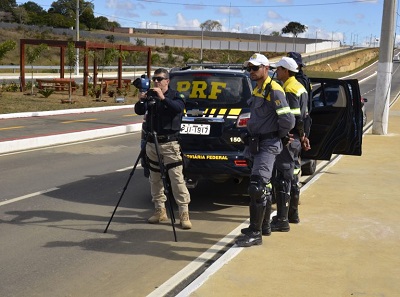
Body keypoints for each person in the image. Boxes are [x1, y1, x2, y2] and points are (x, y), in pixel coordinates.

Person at [236, 53, 295, 247]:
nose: (251, 71)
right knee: (263, 186)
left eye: (254, 68)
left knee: (257, 186)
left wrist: (278, 135)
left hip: (268, 145)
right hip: (255, 144)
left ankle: (255, 233)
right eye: (249, 68)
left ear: (266, 68)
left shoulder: (274, 90)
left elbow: (288, 120)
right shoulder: (258, 89)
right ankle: (263, 226)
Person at [134, 68, 192, 229]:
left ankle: (183, 213)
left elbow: (178, 108)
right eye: (155, 79)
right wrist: (141, 100)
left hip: (170, 144)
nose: (157, 82)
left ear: (167, 80)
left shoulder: (175, 96)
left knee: (176, 179)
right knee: (155, 179)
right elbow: (139, 111)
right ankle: (160, 211)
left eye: (160, 79)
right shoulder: (151, 95)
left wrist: (162, 98)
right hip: (152, 143)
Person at [269, 57, 310, 232]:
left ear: (286, 71)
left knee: (283, 178)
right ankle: (293, 214)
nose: (276, 72)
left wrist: (286, 136)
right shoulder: (299, 87)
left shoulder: (289, 89)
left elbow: (293, 118)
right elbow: (303, 117)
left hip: (288, 139)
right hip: (296, 139)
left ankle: (282, 219)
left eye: (278, 70)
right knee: (293, 175)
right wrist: (303, 136)